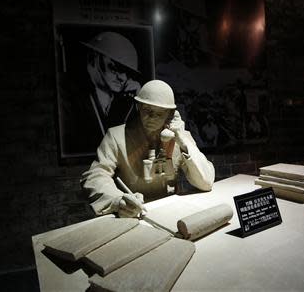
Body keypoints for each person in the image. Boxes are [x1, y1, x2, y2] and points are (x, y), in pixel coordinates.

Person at [81, 80, 215, 218]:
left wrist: (184, 141)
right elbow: (95, 176)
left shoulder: (180, 138)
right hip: (134, 215)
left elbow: (206, 182)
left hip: (170, 212)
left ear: (170, 114)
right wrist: (117, 200)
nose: (151, 118)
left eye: (159, 113)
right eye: (147, 110)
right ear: (138, 107)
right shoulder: (116, 137)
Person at [60, 31, 141, 156]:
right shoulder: (69, 98)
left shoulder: (125, 101)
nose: (123, 78)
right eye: (114, 67)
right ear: (93, 59)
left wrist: (140, 105)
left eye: (127, 72)